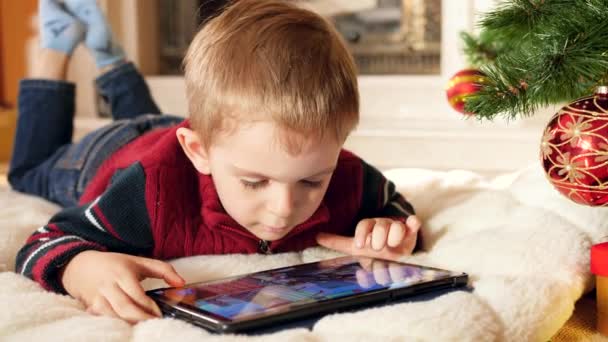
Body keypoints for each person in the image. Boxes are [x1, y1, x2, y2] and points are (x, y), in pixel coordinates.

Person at [11, 0, 422, 324]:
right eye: (254, 182)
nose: (284, 208)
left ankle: (112, 59)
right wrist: (80, 267)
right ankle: (57, 46)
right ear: (198, 153)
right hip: (109, 151)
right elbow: (43, 242)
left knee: (176, 126)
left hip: (193, 133)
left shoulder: (344, 175)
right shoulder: (146, 195)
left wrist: (391, 231)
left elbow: (398, 208)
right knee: (27, 172)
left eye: (311, 182)